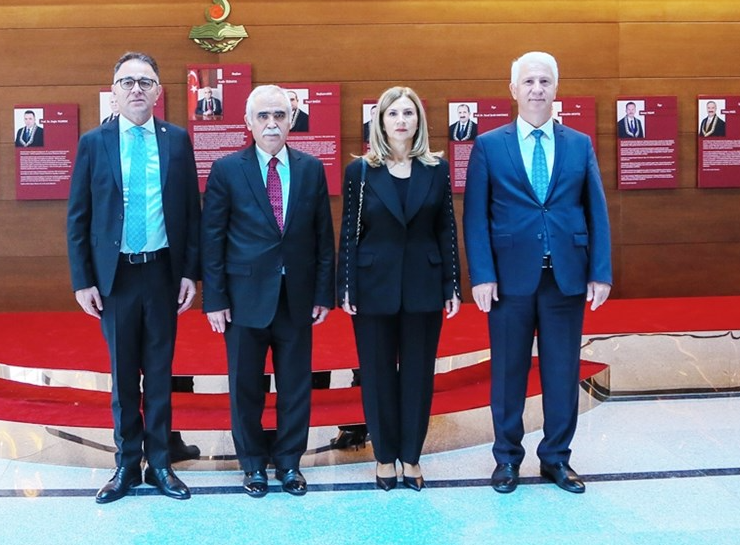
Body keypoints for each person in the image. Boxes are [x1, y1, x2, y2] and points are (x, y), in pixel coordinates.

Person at [464, 51, 612, 495]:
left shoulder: (579, 144)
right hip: (508, 281)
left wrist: (600, 271)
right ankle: (507, 459)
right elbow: (475, 216)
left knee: (562, 373)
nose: (536, 89)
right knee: (508, 372)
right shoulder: (490, 145)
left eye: (544, 81)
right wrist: (482, 274)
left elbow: (596, 209)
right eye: (528, 81)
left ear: (556, 88)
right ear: (513, 90)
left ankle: (556, 458)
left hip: (565, 278)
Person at [66, 52, 201, 504]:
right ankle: (126, 464)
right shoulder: (94, 143)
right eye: (127, 82)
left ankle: (160, 462)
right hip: (116, 277)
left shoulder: (177, 141)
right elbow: (79, 217)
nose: (137, 89)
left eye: (145, 81)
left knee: (160, 373)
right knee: (124, 375)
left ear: (158, 92)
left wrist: (190, 272)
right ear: (114, 92)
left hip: (162, 272)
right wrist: (83, 279)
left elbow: (191, 212)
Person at [201, 84, 335, 499]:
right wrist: (215, 299)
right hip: (243, 299)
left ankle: (290, 462)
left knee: (295, 385)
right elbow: (212, 239)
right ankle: (253, 464)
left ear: (291, 120)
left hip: (297, 297)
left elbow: (323, 236)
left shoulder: (311, 169)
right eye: (263, 116)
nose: (272, 123)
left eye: (279, 115)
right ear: (248, 122)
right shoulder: (227, 169)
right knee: (245, 387)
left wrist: (323, 293)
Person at [338, 86, 461, 492]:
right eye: (393, 114)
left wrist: (452, 284)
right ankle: (384, 457)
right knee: (376, 376)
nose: (401, 120)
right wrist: (346, 285)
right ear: (380, 122)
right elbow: (350, 233)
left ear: (419, 121)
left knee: (418, 376)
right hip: (373, 287)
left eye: (408, 113)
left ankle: (411, 457)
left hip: (424, 286)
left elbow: (446, 229)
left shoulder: (436, 169)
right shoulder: (360, 171)